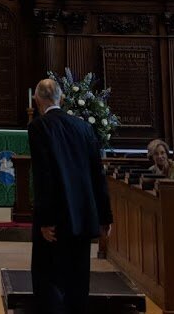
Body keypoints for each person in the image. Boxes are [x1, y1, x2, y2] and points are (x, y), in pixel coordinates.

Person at [28, 77, 113, 312]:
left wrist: (45, 219)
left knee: (50, 282)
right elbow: (98, 174)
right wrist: (105, 217)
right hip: (83, 216)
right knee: (78, 281)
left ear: (37, 99)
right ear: (61, 98)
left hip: (55, 220)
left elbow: (43, 174)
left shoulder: (38, 126)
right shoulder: (83, 127)